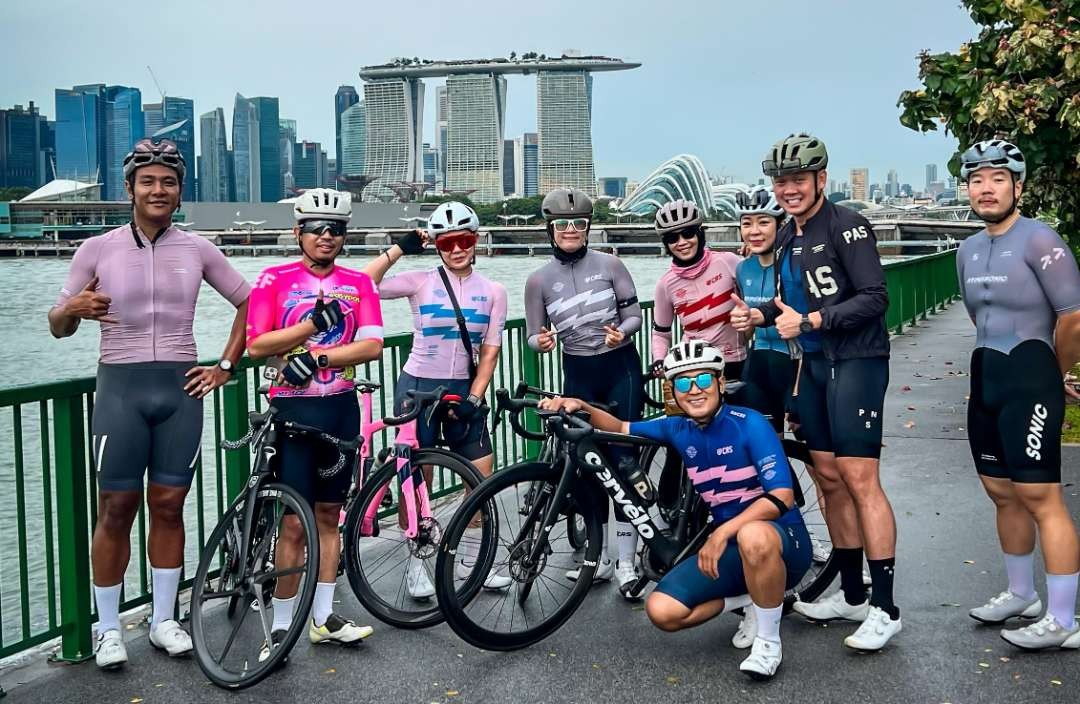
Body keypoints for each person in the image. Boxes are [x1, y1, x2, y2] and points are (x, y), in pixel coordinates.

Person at [48, 138, 251, 669]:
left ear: (180, 190)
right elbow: (57, 327)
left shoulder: (198, 248)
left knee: (168, 506)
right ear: (130, 189)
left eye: (168, 181)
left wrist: (226, 366)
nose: (158, 190)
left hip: (181, 389)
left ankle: (164, 620)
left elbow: (251, 302)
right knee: (115, 508)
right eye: (148, 181)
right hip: (121, 388)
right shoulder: (97, 249)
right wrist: (73, 306)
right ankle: (108, 629)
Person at [539, 340, 811, 679]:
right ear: (674, 392)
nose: (694, 390)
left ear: (720, 383)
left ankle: (769, 643)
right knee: (662, 611)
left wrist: (723, 531)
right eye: (683, 383)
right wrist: (578, 404)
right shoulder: (676, 427)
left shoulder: (749, 423)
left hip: (782, 544)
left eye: (703, 380)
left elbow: (782, 496)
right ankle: (751, 601)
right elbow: (620, 427)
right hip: (732, 549)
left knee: (753, 535)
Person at [731, 133, 900, 650]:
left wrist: (815, 319)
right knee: (826, 475)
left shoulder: (849, 227)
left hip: (858, 362)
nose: (789, 190)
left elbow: (875, 298)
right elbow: (782, 308)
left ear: (820, 180)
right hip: (816, 364)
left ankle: (885, 606)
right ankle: (850, 593)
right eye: (781, 182)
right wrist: (754, 315)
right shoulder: (786, 237)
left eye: (798, 181)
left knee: (858, 476)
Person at [246, 188, 384, 660]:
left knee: (329, 517)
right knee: (292, 523)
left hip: (339, 408)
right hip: (294, 412)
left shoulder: (358, 284)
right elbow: (258, 345)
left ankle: (324, 618)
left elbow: (371, 346)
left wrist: (319, 357)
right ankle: (281, 627)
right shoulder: (273, 279)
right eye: (317, 229)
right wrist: (309, 330)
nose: (327, 237)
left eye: (336, 230)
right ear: (298, 233)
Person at [956, 139, 1080, 649]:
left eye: (998, 179)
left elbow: (1073, 316)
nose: (987, 189)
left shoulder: (1039, 240)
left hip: (1030, 376)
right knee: (1001, 491)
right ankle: (1020, 592)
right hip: (986, 375)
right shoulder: (966, 250)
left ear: (1017, 186)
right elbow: (975, 315)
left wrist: (1052, 372)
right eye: (977, 180)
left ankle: (1065, 619)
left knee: (1040, 496)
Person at [362, 201, 512, 597]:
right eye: (447, 242)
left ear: (475, 241)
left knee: (478, 479)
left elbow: (491, 350)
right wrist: (400, 248)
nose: (457, 249)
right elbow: (363, 285)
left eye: (464, 240)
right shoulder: (419, 280)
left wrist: (475, 398)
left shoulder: (494, 291)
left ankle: (469, 563)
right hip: (417, 388)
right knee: (418, 482)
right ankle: (418, 565)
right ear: (437, 245)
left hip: (463, 389)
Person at [524, 187, 645, 598]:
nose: (571, 230)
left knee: (625, 462)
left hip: (621, 368)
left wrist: (621, 333)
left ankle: (628, 561)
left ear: (589, 228)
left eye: (579, 224)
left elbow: (634, 315)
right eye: (563, 225)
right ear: (551, 230)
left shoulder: (611, 264)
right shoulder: (538, 280)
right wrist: (540, 344)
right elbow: (532, 335)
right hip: (578, 373)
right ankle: (599, 559)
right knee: (587, 465)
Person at [650, 198, 747, 381]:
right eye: (672, 238)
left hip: (734, 361)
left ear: (700, 233)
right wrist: (659, 359)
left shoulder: (728, 261)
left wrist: (755, 253)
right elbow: (661, 333)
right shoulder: (665, 284)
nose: (682, 242)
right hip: (693, 367)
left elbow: (758, 285)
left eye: (688, 233)